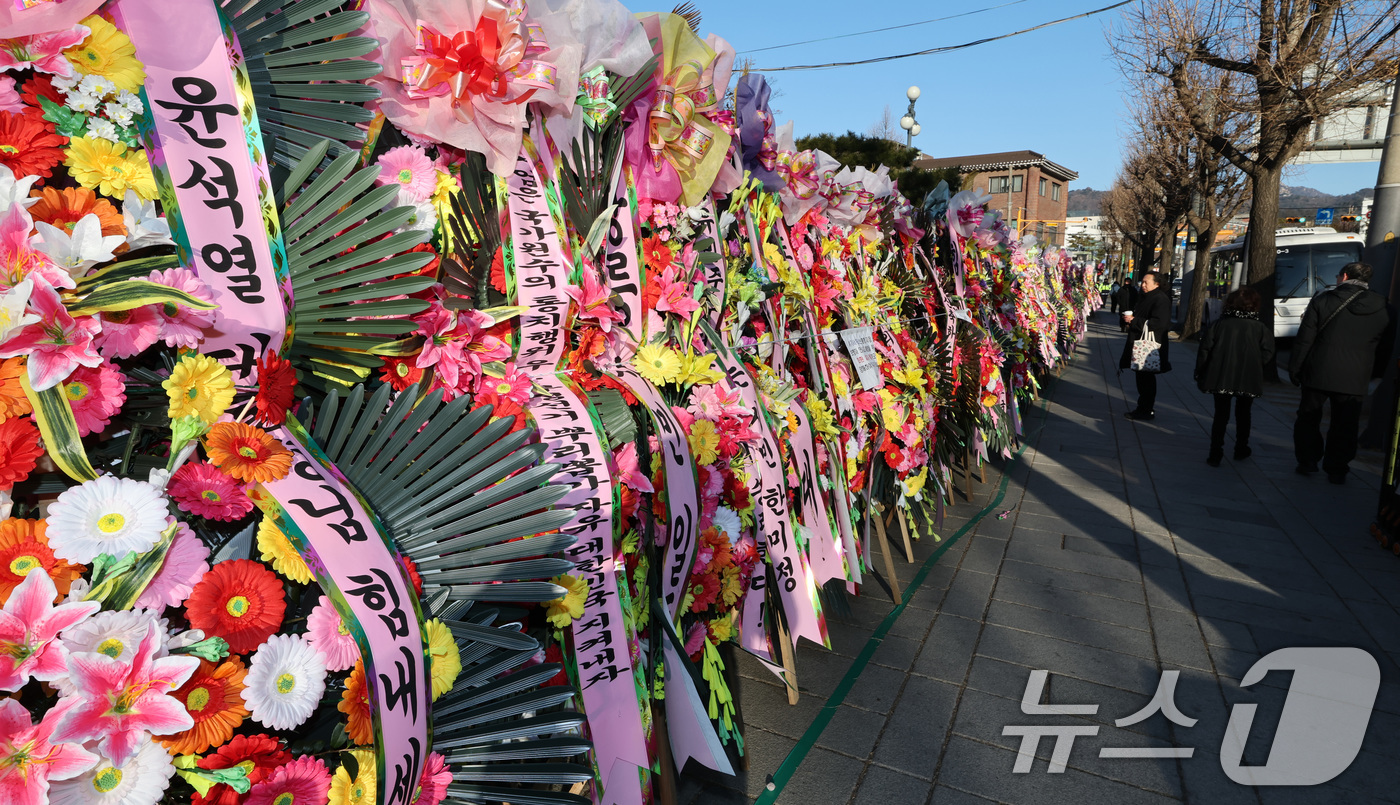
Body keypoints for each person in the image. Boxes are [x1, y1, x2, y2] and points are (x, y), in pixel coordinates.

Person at [1289, 261, 1393, 484]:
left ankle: (1308, 460)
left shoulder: (1323, 300)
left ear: (1344, 277)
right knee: (1346, 423)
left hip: (1318, 369)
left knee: (1308, 418)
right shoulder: (1385, 307)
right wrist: (1376, 374)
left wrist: (1296, 368)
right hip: (1356, 375)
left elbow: (1304, 339)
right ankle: (1337, 467)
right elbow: (1385, 347)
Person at [1195, 287, 1274, 466]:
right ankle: (1241, 448)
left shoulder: (1219, 325)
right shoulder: (1259, 327)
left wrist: (1201, 371)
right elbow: (1268, 351)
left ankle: (1215, 452)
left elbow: (1205, 349)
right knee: (1244, 414)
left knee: (1220, 415)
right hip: (1248, 376)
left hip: (1221, 374)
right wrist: (1257, 364)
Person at [1120, 271, 1171, 421]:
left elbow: (1159, 323)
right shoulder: (1148, 297)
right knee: (1142, 378)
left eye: (1146, 282)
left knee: (1146, 379)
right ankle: (1144, 408)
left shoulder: (1160, 299)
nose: (1142, 285)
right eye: (1142, 282)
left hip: (1149, 346)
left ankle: (1146, 409)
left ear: (1157, 284)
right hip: (1141, 343)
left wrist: (1134, 320)